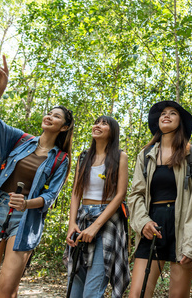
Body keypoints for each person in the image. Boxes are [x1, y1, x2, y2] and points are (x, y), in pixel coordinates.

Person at [0, 55, 74, 297]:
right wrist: (0, 88)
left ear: (65, 127)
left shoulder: (61, 159)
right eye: (49, 113)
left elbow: (50, 197)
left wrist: (26, 203)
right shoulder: (20, 139)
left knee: (7, 289)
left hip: (26, 220)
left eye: (57, 116)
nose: (49, 116)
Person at [128, 101, 192, 298]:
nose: (166, 115)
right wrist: (143, 222)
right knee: (137, 294)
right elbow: (136, 194)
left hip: (183, 226)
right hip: (151, 226)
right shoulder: (145, 155)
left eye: (173, 113)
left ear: (180, 121)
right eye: (163, 113)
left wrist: (191, 244)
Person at [65, 116, 129, 298]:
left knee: (92, 291)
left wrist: (96, 226)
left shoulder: (120, 156)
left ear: (113, 131)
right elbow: (76, 192)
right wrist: (72, 224)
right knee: (75, 285)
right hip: (82, 218)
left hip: (107, 222)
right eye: (96, 122)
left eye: (104, 123)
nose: (97, 126)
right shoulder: (84, 156)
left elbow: (120, 195)